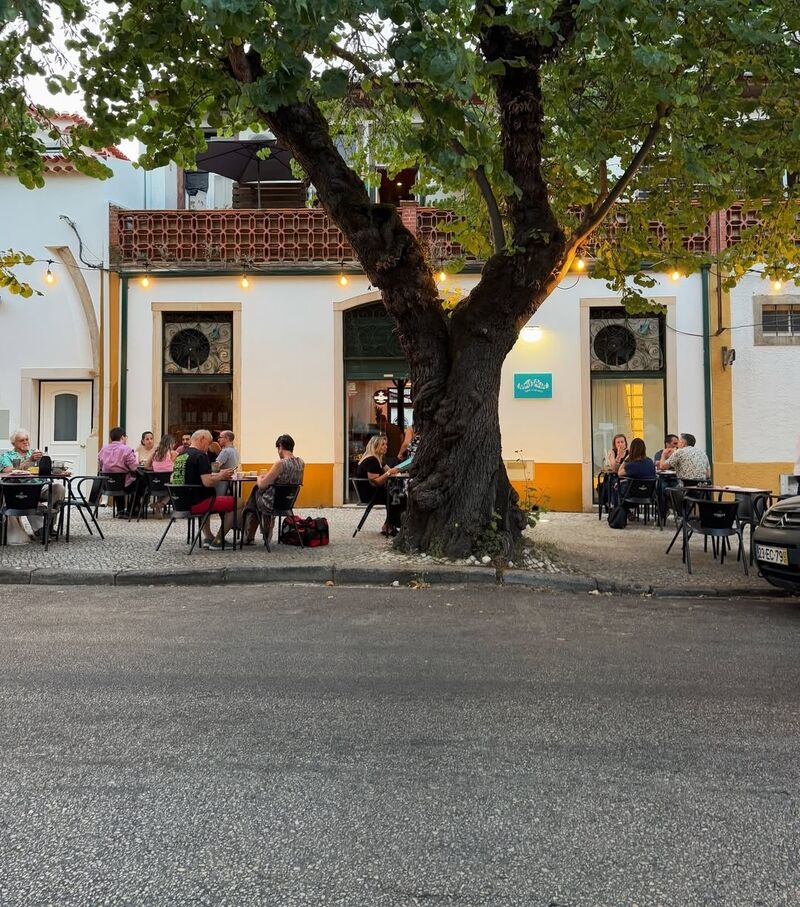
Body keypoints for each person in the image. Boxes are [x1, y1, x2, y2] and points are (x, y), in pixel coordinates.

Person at [171, 429, 235, 549]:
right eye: (209, 443)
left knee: (206, 496)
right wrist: (222, 475)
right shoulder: (200, 456)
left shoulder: (181, 455)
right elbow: (207, 482)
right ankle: (218, 540)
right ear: (202, 439)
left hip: (181, 502)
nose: (209, 447)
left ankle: (209, 537)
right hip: (197, 503)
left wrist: (217, 474)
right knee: (238, 502)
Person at [239, 434, 305, 546]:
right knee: (255, 499)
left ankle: (250, 536)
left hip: (271, 503)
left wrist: (259, 478)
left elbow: (262, 485)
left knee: (254, 496)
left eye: (278, 448)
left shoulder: (280, 463)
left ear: (280, 446)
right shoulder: (301, 463)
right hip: (287, 503)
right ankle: (261, 535)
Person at [0, 428, 65, 538]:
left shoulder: (35, 453)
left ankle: (50, 524)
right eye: (21, 440)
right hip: (18, 489)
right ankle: (40, 528)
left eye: (27, 439)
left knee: (59, 488)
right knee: (30, 498)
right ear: (14, 443)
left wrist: (59, 471)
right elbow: (7, 470)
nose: (25, 442)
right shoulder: (6, 456)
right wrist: (30, 460)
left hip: (39, 486)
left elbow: (47, 468)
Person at [357, 434, 403, 536]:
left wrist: (399, 470)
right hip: (369, 494)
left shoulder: (378, 459)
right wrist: (389, 473)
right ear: (375, 446)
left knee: (398, 495)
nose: (386, 447)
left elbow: (390, 470)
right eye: (383, 444)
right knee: (399, 497)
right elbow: (375, 482)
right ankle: (390, 526)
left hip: (373, 492)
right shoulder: (371, 460)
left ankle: (389, 525)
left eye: (386, 444)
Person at [97, 427, 142, 517]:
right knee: (141, 482)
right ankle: (131, 510)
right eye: (125, 437)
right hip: (124, 485)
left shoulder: (103, 449)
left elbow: (100, 465)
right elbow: (133, 467)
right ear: (122, 437)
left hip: (108, 484)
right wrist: (136, 460)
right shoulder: (127, 449)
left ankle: (120, 510)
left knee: (117, 478)